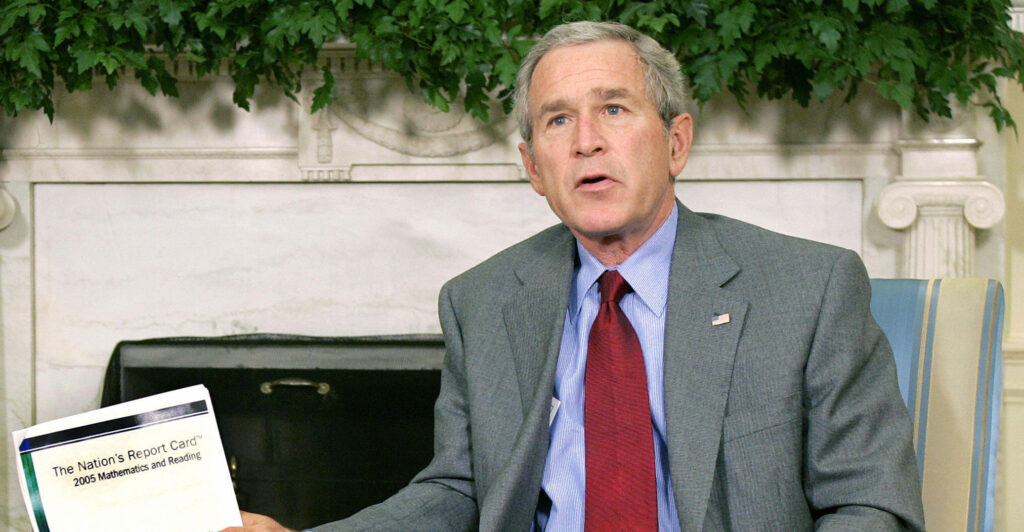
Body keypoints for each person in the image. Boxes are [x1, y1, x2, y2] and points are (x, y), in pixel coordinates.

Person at [224, 21, 925, 531]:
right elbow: (460, 490)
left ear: (676, 141)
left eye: (613, 109)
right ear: (534, 168)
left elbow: (870, 506)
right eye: (558, 120)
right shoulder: (481, 301)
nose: (587, 140)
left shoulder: (808, 288)